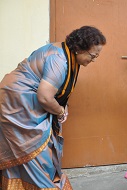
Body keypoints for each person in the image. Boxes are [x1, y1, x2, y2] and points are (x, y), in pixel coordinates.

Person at [0, 26, 106, 189]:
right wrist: (60, 110)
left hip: (22, 101)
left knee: (30, 152)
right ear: (78, 49)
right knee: (36, 153)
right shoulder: (59, 59)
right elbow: (44, 97)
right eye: (93, 56)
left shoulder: (66, 54)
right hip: (18, 103)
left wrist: (63, 105)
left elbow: (57, 91)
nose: (94, 60)